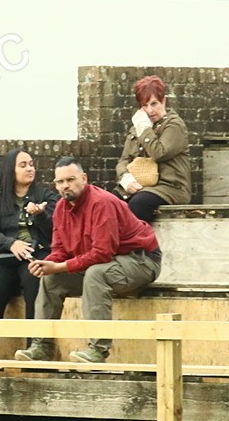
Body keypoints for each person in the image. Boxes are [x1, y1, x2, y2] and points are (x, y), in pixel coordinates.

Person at [15, 157, 162, 365]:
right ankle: (42, 346)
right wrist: (46, 264)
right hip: (109, 262)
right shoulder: (60, 209)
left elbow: (102, 253)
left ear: (84, 178)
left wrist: (61, 266)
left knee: (96, 274)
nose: (65, 186)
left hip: (142, 260)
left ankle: (97, 350)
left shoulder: (101, 203)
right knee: (51, 279)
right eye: (60, 182)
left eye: (70, 179)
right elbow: (60, 249)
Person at [0, 148, 57, 360]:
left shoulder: (45, 196)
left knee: (36, 282)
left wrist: (41, 216)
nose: (29, 168)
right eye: (23, 165)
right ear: (11, 170)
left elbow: (56, 229)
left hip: (35, 254)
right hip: (4, 257)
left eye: (31, 164)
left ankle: (36, 348)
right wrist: (10, 243)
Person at [115, 75, 190, 223]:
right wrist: (126, 179)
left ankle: (140, 245)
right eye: (145, 105)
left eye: (154, 103)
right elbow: (123, 160)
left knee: (138, 204)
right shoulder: (138, 128)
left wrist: (143, 128)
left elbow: (159, 153)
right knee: (111, 202)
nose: (150, 110)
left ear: (164, 101)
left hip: (170, 187)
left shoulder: (174, 125)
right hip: (140, 186)